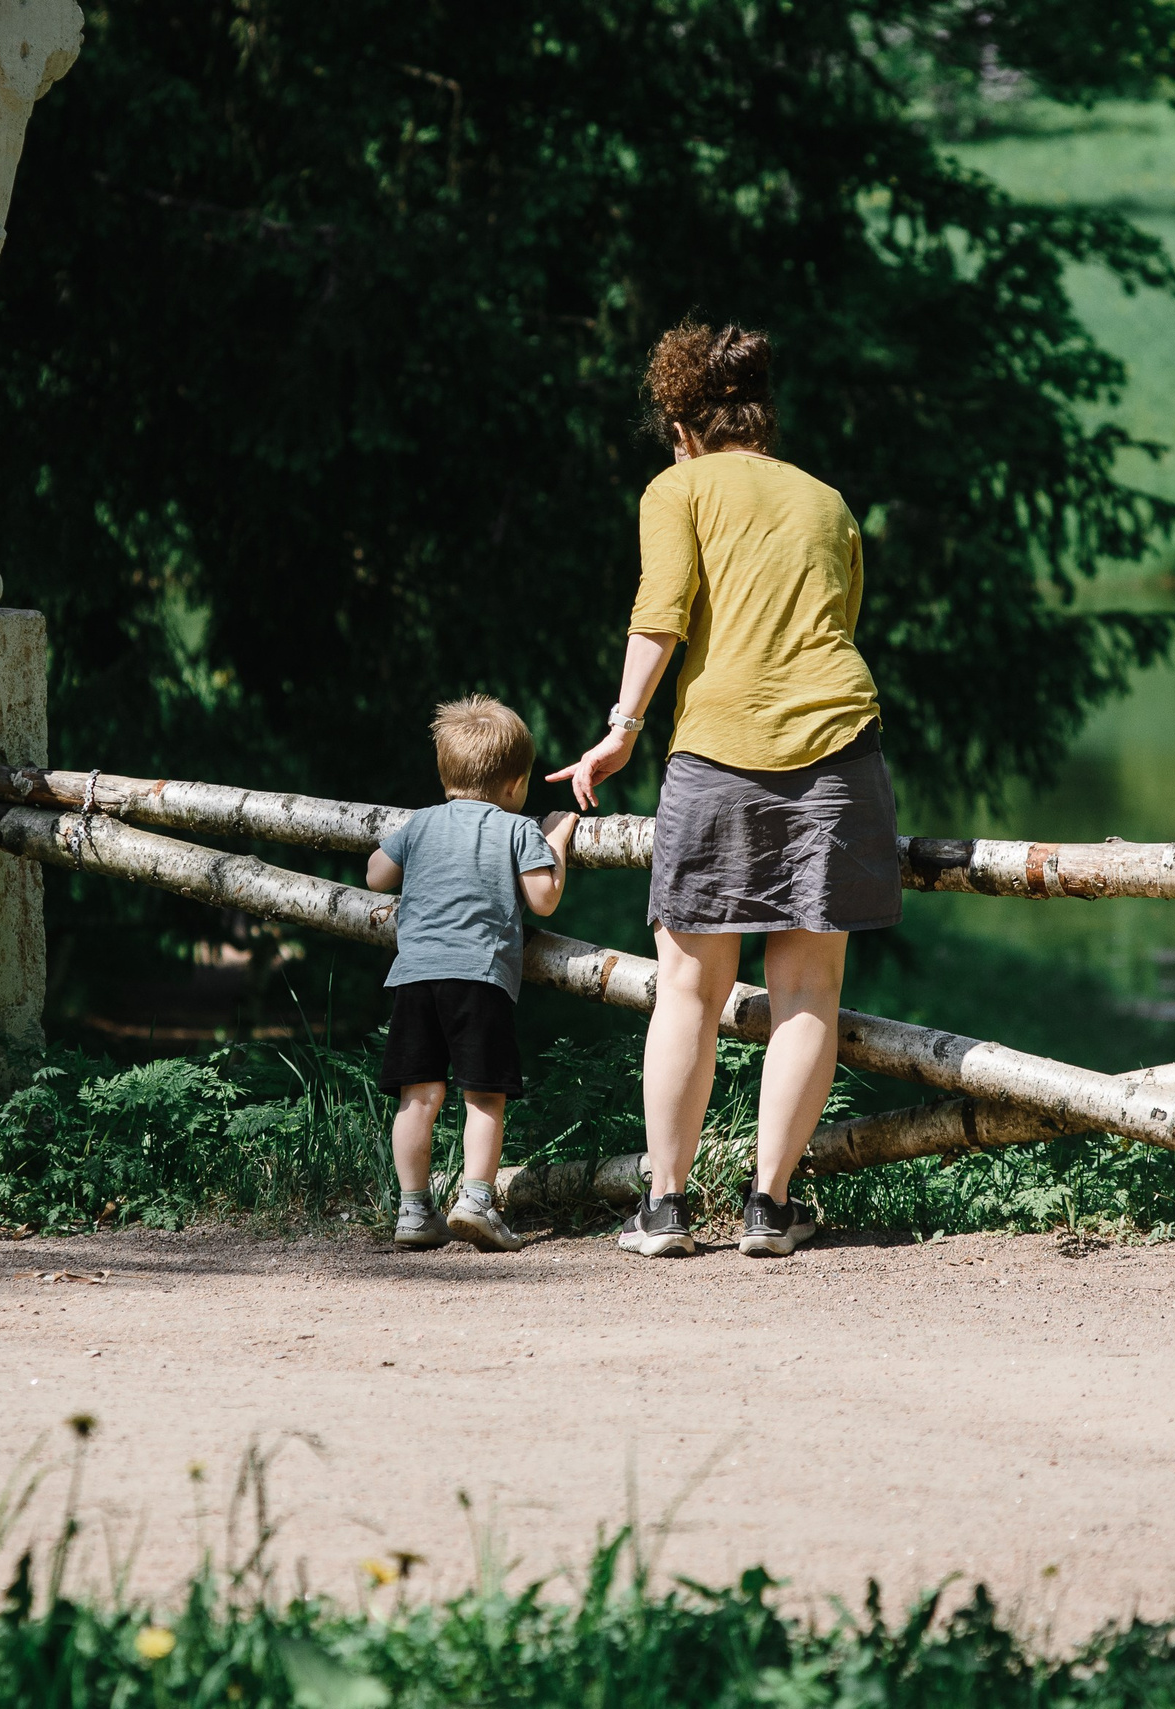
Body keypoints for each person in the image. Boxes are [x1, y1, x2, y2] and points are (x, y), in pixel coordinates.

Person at [550, 321, 899, 1260]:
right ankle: (769, 1209)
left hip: (715, 752)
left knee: (687, 991)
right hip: (838, 750)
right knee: (808, 993)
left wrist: (621, 730)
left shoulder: (677, 488)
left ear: (684, 426)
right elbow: (840, 619)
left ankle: (665, 1209)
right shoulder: (827, 500)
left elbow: (659, 614)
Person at [368, 695, 579, 1252]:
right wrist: (556, 840)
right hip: (479, 978)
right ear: (516, 784)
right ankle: (477, 1201)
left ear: (446, 775)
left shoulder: (421, 823)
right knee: (484, 1096)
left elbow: (375, 875)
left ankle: (414, 1210)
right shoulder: (516, 829)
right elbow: (544, 898)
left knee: (418, 1096)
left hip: (414, 976)